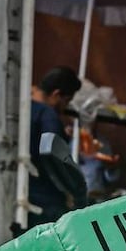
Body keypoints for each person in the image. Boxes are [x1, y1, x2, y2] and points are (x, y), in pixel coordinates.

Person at [29, 66, 82, 225]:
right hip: (45, 200)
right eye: (66, 101)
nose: (65, 108)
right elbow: (52, 156)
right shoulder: (47, 115)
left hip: (22, 194)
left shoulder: (22, 108)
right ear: (56, 94)